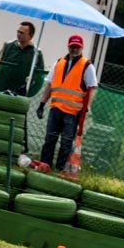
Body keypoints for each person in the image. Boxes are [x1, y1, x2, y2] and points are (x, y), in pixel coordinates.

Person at [37, 35, 98, 175]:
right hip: (55, 109)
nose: (74, 49)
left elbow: (92, 88)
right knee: (49, 139)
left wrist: (86, 107)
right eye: (72, 46)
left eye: (77, 47)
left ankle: (60, 170)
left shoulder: (87, 66)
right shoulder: (59, 62)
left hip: (72, 112)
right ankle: (44, 166)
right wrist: (42, 103)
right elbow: (50, 85)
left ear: (82, 48)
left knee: (66, 143)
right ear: (68, 46)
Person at [0, 21, 45, 96]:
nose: (18, 34)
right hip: (1, 90)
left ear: (31, 36)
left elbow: (40, 77)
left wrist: (29, 93)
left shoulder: (36, 53)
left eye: (22, 33)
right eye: (18, 32)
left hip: (21, 93)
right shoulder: (8, 46)